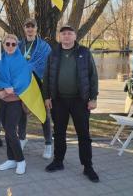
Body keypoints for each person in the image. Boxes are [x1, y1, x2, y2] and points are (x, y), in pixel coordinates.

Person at [43, 25, 99, 183]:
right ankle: (58, 161)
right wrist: (47, 97)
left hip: (79, 100)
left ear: (75, 36)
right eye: (63, 34)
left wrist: (93, 98)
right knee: (59, 133)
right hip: (58, 99)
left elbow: (93, 76)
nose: (66, 36)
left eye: (69, 33)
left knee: (84, 134)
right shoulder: (53, 54)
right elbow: (47, 77)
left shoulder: (84, 53)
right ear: (60, 37)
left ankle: (88, 166)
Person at [0, 34, 27, 175]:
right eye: (8, 44)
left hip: (15, 102)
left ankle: (21, 161)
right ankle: (11, 159)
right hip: (2, 101)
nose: (10, 46)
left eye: (13, 44)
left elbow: (23, 82)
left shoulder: (22, 61)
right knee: (6, 130)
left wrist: (5, 92)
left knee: (11, 131)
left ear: (17, 46)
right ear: (4, 45)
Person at [18, 18, 52, 158]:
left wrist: (31, 66)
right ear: (24, 29)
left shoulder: (44, 46)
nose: (30, 29)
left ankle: (48, 144)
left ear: (36, 29)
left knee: (43, 114)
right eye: (27, 27)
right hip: (23, 83)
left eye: (32, 27)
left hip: (40, 83)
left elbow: (49, 67)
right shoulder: (19, 45)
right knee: (22, 112)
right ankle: (22, 138)